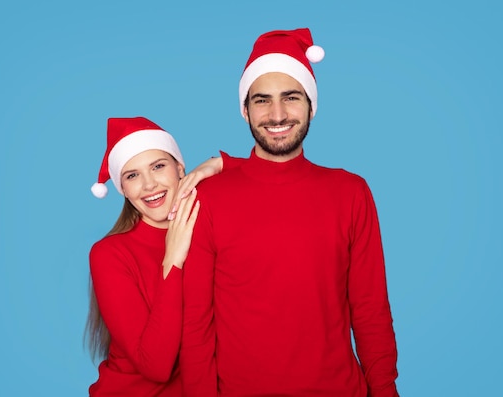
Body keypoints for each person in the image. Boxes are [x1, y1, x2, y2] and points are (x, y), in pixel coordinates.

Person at [180, 28, 400, 397]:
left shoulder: (351, 192)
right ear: (245, 110)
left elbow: (370, 310)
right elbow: (196, 325)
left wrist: (385, 391)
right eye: (262, 100)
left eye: (291, 97)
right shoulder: (209, 198)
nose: (277, 114)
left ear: (311, 106)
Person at [84, 117, 229, 397]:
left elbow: (267, 172)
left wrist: (218, 163)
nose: (149, 184)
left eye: (158, 166)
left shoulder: (209, 229)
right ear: (122, 189)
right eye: (132, 175)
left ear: (180, 168)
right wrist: (172, 261)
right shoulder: (109, 254)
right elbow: (156, 366)